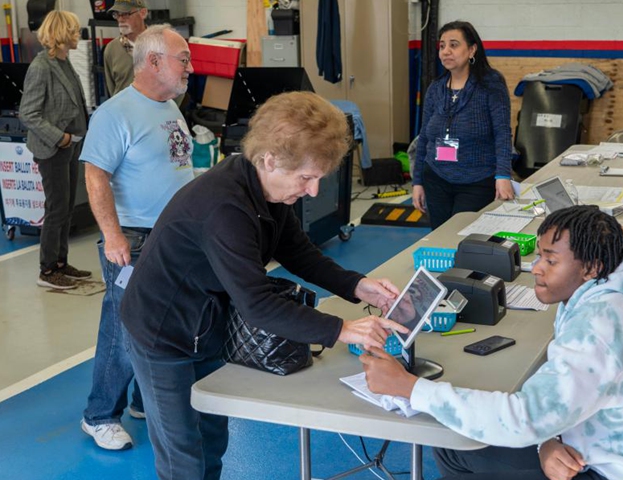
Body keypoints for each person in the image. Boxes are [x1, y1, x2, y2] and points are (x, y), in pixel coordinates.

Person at [118, 91, 409, 480]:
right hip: (163, 333)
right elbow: (258, 305)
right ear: (269, 159)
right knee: (183, 457)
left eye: (318, 178)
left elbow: (297, 252)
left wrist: (357, 286)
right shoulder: (225, 208)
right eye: (306, 178)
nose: (313, 191)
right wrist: (341, 329)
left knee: (213, 438)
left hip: (204, 323)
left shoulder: (265, 188)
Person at [362, 206, 623, 480]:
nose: (536, 268)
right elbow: (556, 405)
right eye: (539, 256)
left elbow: (524, 418)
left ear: (591, 267)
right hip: (600, 448)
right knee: (454, 447)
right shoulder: (603, 296)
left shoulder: (599, 326)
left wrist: (410, 388)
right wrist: (549, 440)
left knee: (458, 447)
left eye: (551, 260)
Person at [80, 24, 195, 451]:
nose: (190, 66)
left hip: (170, 236)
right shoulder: (115, 113)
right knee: (122, 330)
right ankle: (98, 415)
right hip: (134, 238)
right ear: (153, 62)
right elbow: (95, 177)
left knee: (162, 323)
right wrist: (112, 237)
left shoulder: (169, 105)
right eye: (182, 58)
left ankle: (142, 399)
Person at [412, 20, 514, 230]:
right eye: (442, 46)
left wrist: (503, 175)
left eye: (454, 44)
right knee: (440, 236)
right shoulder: (436, 88)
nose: (446, 51)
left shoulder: (491, 84)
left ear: (472, 49)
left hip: (476, 181)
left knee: (463, 238)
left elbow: (502, 133)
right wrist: (418, 181)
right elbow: (424, 137)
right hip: (436, 178)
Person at [18, 10, 91, 290]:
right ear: (62, 34)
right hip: (53, 148)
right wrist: (59, 137)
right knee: (57, 208)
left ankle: (61, 262)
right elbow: (28, 113)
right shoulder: (41, 67)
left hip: (71, 146)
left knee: (67, 206)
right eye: (73, 30)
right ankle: (47, 271)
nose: (78, 35)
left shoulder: (64, 63)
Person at [104, 0, 148, 97]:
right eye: (117, 15)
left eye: (126, 14)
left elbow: (176, 83)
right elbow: (112, 89)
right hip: (122, 111)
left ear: (143, 13)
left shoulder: (161, 44)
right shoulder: (111, 49)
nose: (120, 19)